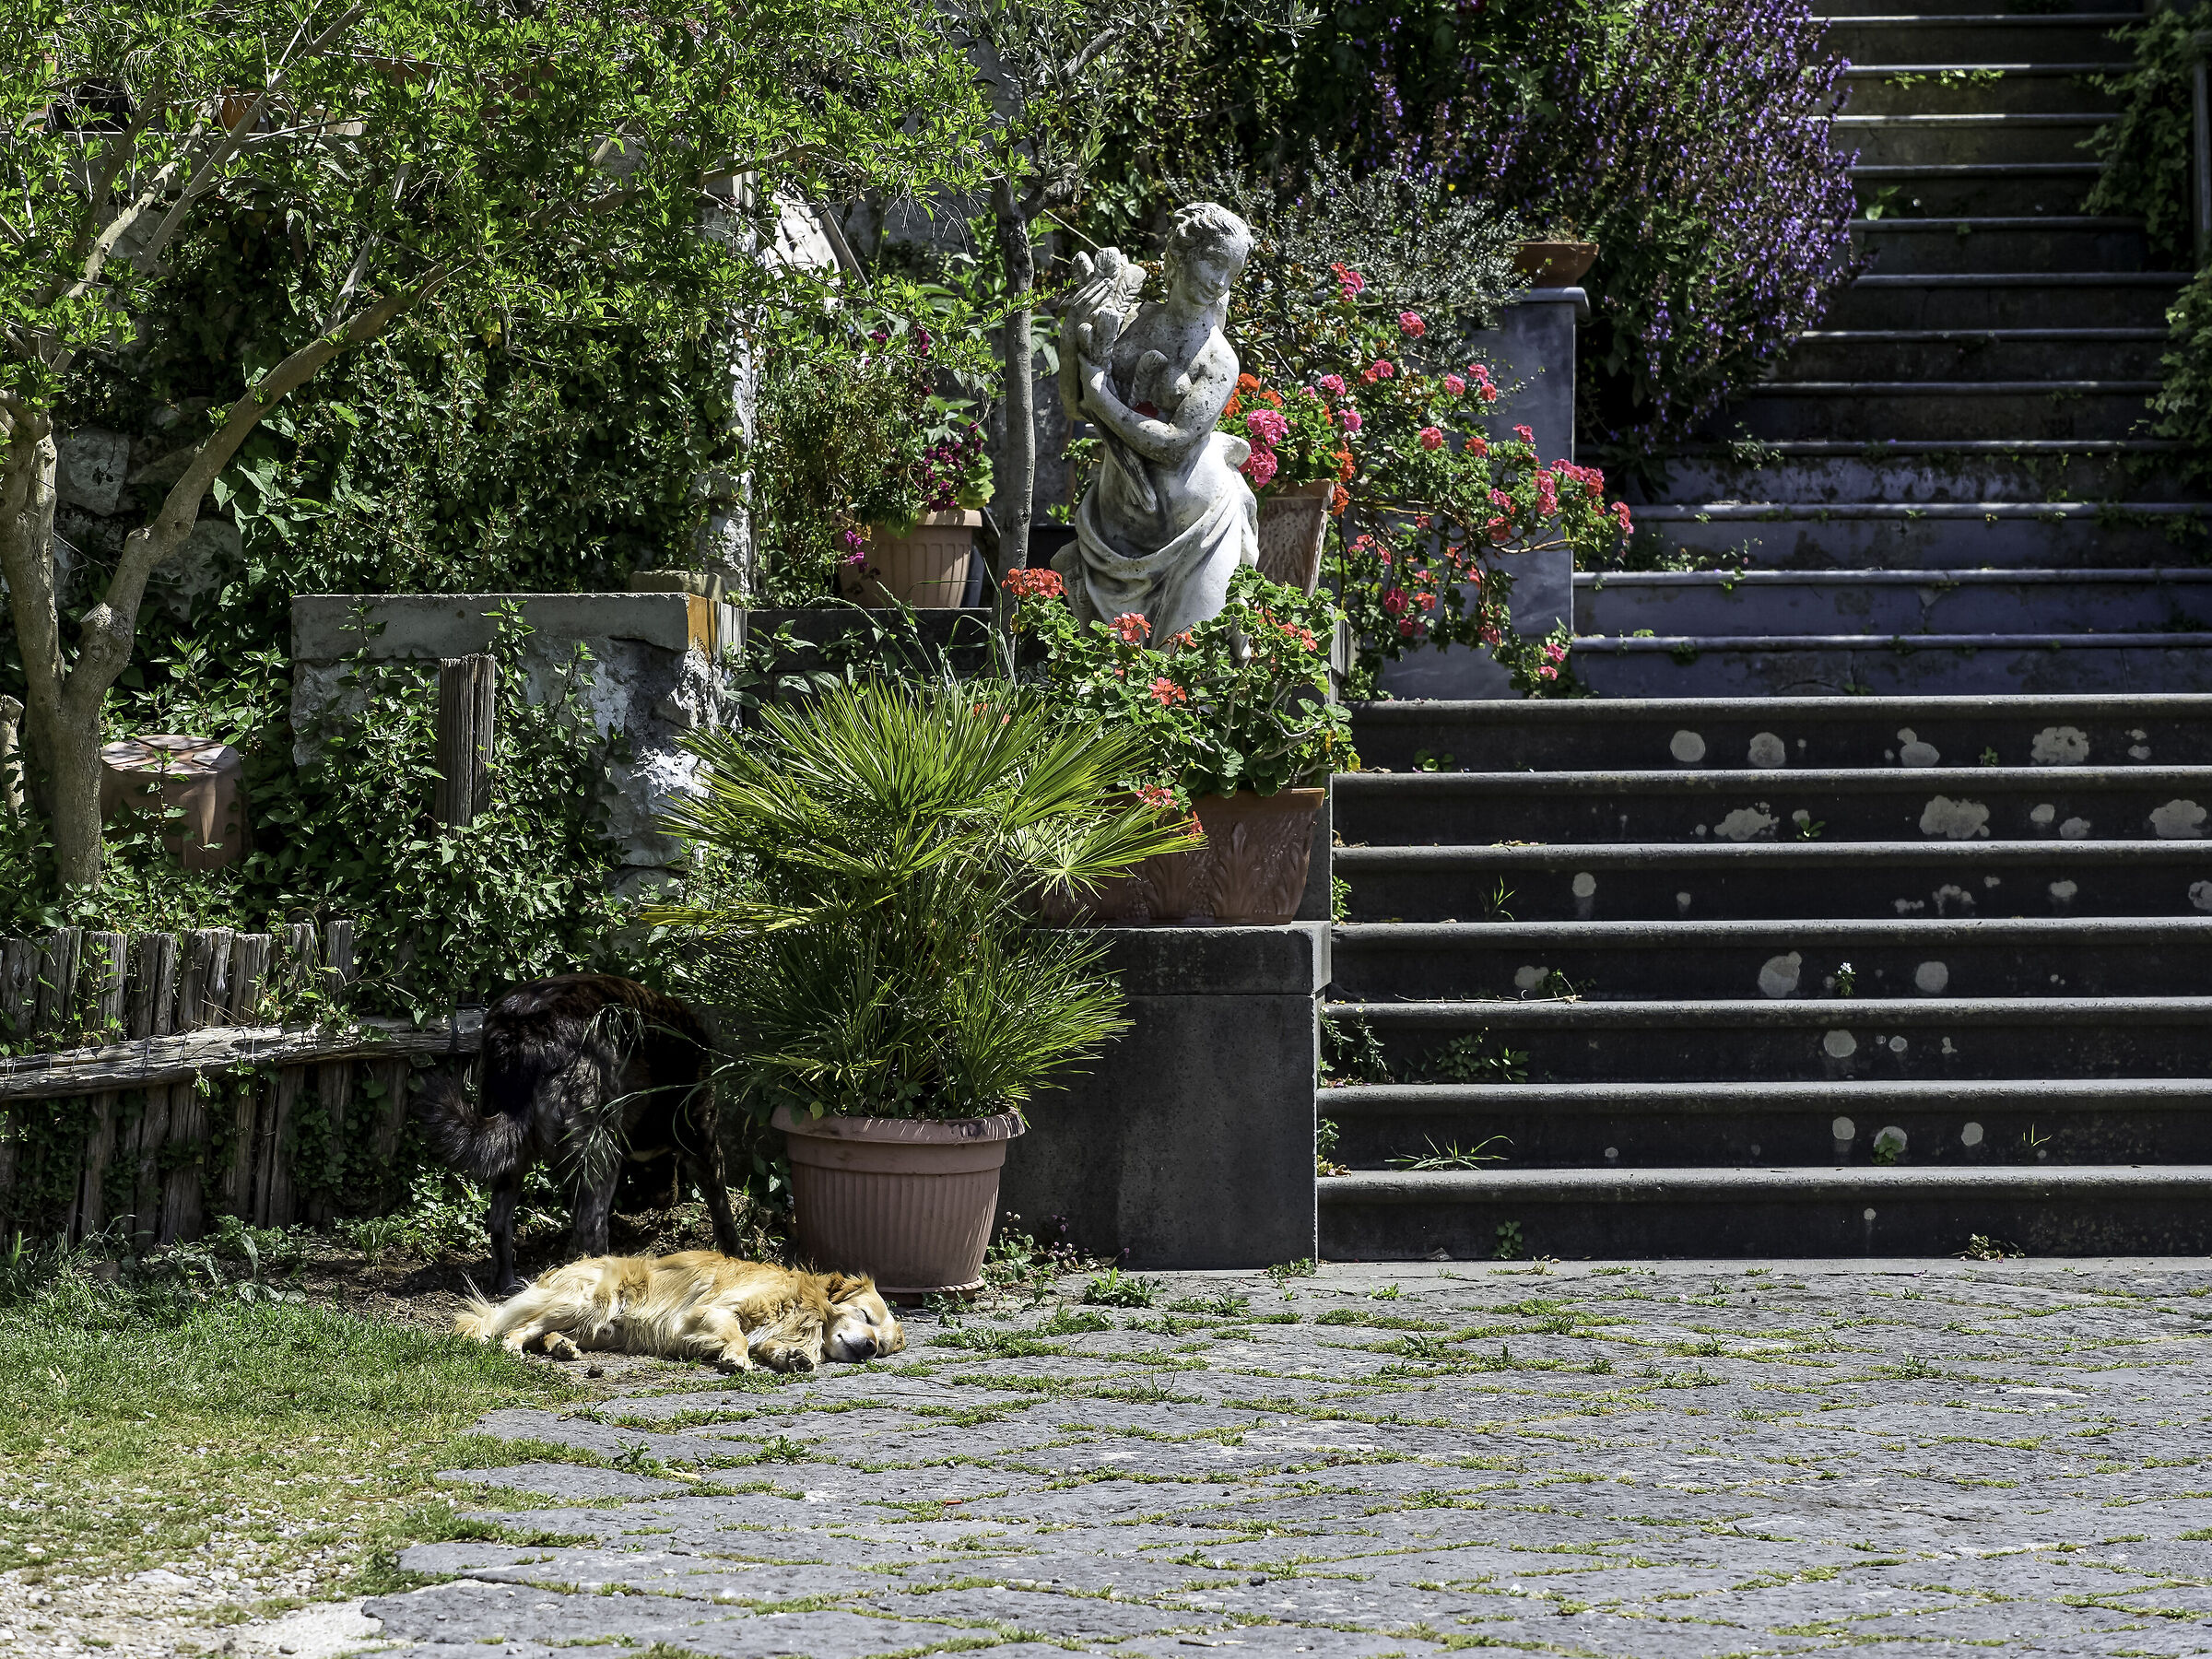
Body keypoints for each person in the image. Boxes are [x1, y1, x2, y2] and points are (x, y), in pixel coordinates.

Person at [1053, 203, 1258, 643]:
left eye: (1232, 273)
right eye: (1214, 263)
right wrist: (1073, 329)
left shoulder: (1219, 358)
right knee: (1102, 683)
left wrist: (1101, 394)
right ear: (1182, 255)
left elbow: (1173, 445)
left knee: (1194, 672)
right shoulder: (1130, 320)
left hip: (1200, 529)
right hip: (1116, 529)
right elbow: (1074, 405)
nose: (1220, 282)